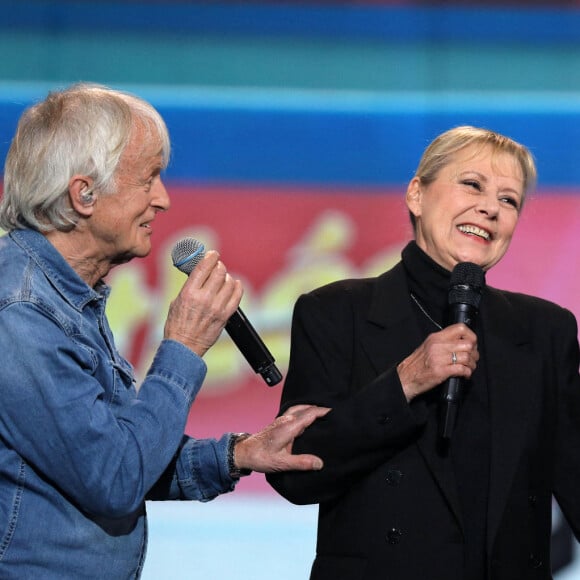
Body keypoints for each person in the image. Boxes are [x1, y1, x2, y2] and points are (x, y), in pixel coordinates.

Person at [0, 82, 329, 579]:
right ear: (84, 194)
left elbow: (122, 450)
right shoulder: (21, 312)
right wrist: (183, 346)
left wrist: (241, 454)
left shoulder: (67, 296)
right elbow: (114, 479)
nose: (165, 200)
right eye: (149, 178)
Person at [267, 126, 580, 580]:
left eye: (509, 200)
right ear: (417, 194)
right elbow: (296, 470)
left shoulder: (545, 330)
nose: (490, 208)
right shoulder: (336, 311)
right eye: (472, 184)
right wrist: (403, 384)